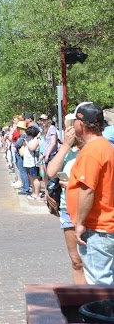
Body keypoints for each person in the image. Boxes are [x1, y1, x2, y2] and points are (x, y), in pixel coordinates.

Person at [66, 102, 114, 285]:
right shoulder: (105, 146)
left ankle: (103, 314)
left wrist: (79, 223)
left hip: (97, 228)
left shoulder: (92, 151)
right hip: (105, 226)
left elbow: (88, 190)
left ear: (81, 123)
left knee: (99, 285)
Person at [45, 114, 85, 284]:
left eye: (72, 127)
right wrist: (66, 146)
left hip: (89, 209)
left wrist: (73, 185)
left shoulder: (93, 149)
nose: (69, 131)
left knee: (92, 261)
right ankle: (81, 302)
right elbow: (51, 172)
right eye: (67, 128)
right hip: (68, 209)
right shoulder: (68, 152)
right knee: (76, 261)